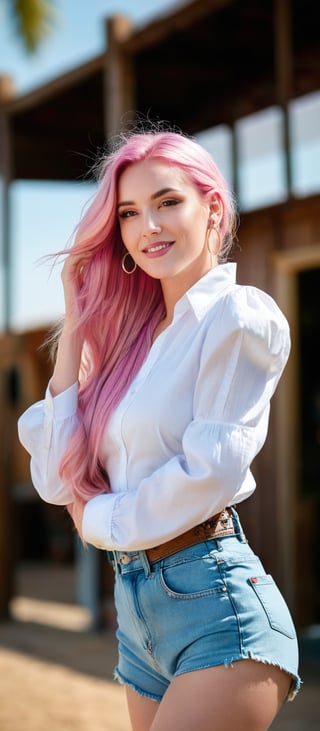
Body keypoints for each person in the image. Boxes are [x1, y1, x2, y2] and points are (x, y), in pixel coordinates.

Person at [18, 128, 301, 731]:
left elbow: (210, 470)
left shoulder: (238, 315)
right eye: (129, 213)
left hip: (214, 603)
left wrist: (94, 520)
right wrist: (76, 323)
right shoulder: (129, 347)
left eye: (168, 202)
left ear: (213, 208)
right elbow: (51, 476)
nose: (149, 225)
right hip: (136, 612)